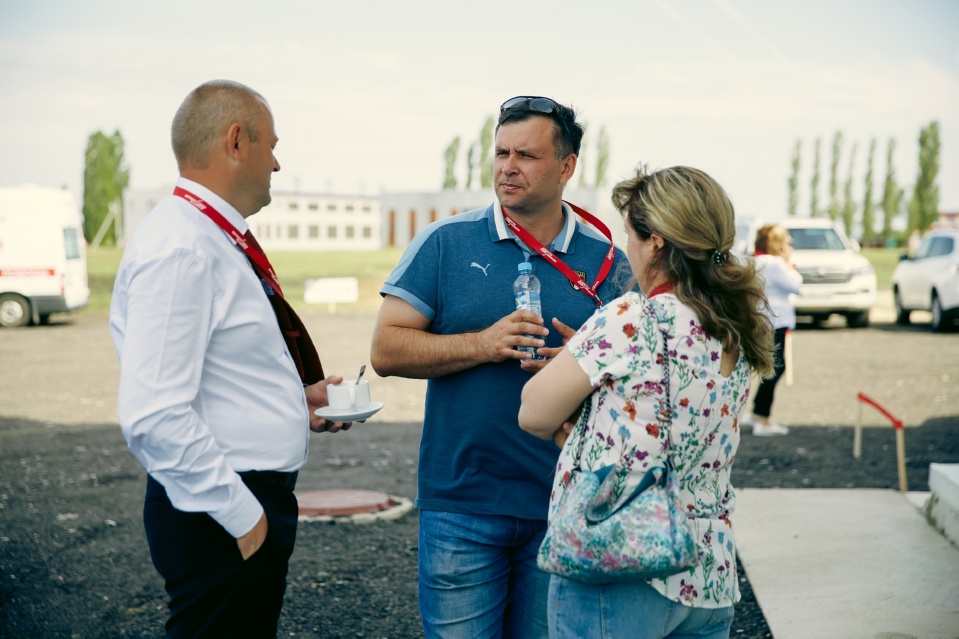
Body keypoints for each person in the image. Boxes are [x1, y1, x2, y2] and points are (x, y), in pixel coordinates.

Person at [370, 96, 629, 638]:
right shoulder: (444, 242)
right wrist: (482, 344)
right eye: (501, 153)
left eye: (526, 156)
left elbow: (638, 378)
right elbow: (386, 350)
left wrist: (585, 365)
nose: (508, 167)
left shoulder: (608, 262)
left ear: (566, 167)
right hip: (462, 504)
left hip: (564, 502)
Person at [110, 79, 352, 638]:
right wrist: (245, 519)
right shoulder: (182, 248)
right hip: (221, 507)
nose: (277, 164)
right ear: (237, 141)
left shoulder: (206, 237)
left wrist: (295, 402)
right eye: (272, 146)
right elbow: (153, 414)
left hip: (231, 500)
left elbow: (219, 371)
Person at [519, 165, 774, 639]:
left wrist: (582, 366)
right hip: (709, 575)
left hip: (622, 565)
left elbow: (533, 413)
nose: (627, 250)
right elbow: (680, 421)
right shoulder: (738, 328)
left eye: (629, 236)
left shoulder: (632, 317)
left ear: (655, 241)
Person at [745, 224, 803, 436]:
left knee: (770, 367)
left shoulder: (754, 260)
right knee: (776, 368)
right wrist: (789, 264)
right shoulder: (775, 263)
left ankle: (756, 413)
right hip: (776, 320)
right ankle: (763, 418)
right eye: (786, 242)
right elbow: (795, 286)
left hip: (761, 319)